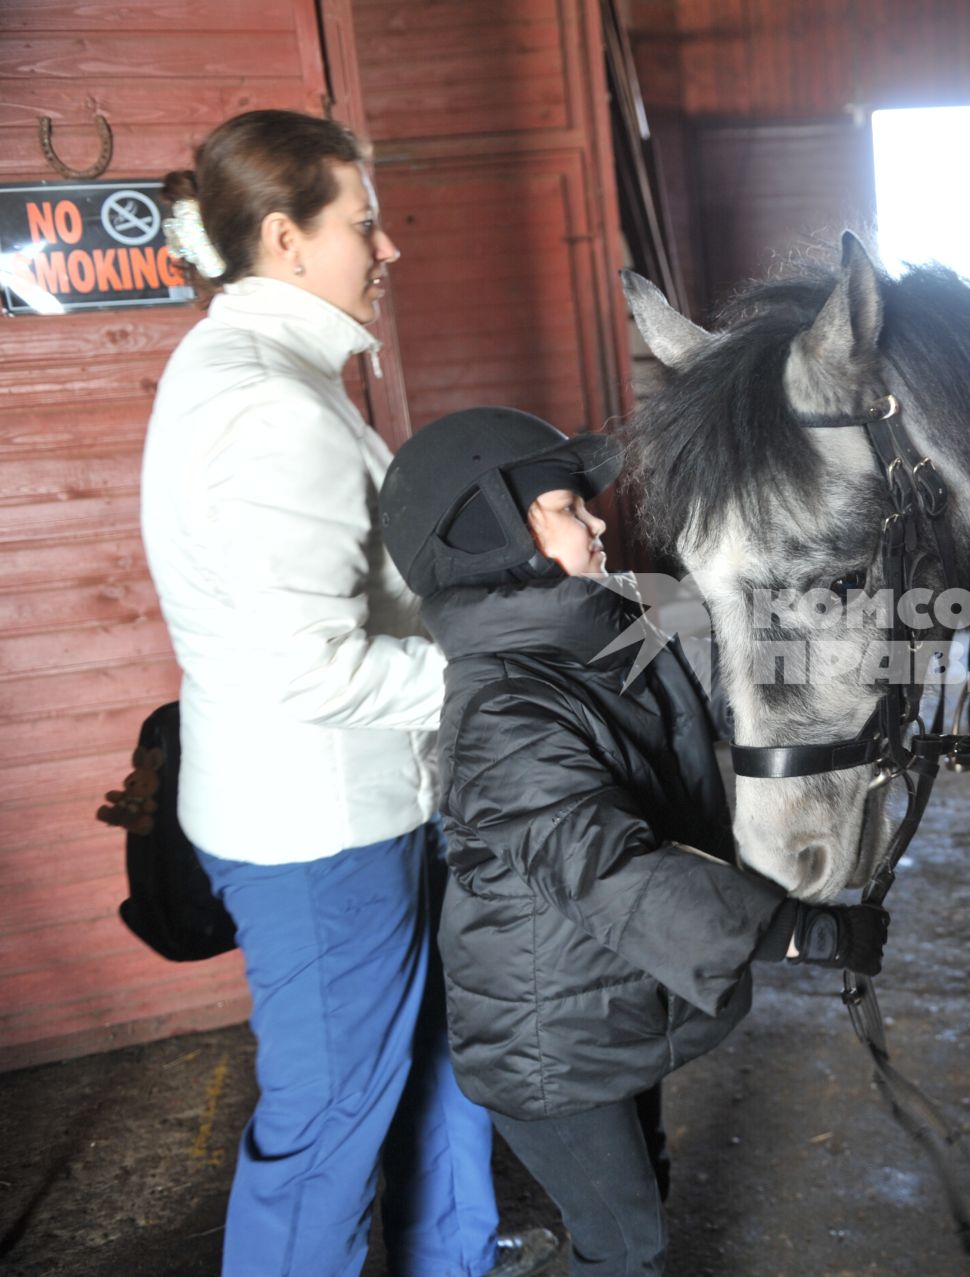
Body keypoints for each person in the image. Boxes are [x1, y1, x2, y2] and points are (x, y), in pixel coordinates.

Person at [140, 109, 554, 1276]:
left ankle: (451, 1254)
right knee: (325, 1125)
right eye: (364, 224)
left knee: (430, 1065)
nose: (389, 249)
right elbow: (306, 662)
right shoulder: (272, 408)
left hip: (351, 810)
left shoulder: (254, 366)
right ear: (285, 237)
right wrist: (499, 664)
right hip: (319, 832)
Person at [377, 406, 891, 1277]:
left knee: (639, 1193)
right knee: (625, 1247)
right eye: (569, 509)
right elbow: (607, 867)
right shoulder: (505, 708)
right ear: (490, 533)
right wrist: (798, 930)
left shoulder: (583, 652)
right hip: (546, 1043)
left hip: (597, 1005)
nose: (598, 518)